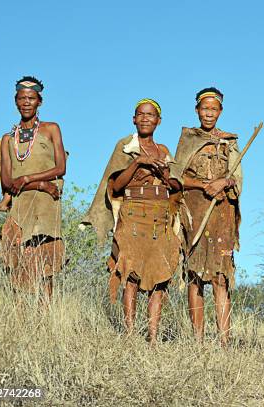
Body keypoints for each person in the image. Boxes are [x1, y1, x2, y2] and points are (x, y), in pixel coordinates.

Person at [82, 98, 183, 344]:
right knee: (130, 274)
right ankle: (129, 335)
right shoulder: (125, 146)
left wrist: (165, 175)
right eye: (141, 114)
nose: (146, 118)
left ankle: (153, 338)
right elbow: (115, 185)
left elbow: (174, 187)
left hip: (160, 216)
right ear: (134, 119)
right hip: (133, 214)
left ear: (159, 121)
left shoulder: (164, 151)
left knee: (160, 275)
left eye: (151, 115)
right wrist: (138, 162)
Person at [172, 87, 242, 346]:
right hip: (194, 211)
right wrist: (203, 185)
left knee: (221, 276)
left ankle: (224, 342)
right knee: (194, 274)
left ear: (220, 111)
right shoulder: (187, 139)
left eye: (213, 109)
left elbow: (238, 178)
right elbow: (176, 177)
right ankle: (198, 341)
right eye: (204, 108)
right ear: (197, 110)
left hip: (222, 213)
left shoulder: (229, 141)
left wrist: (224, 182)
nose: (209, 113)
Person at [0, 76, 66, 300]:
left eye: (31, 98)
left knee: (47, 263)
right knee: (17, 259)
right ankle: (21, 324)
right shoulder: (8, 139)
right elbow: (8, 181)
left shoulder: (51, 129)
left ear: (40, 102)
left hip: (46, 206)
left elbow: (60, 167)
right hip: (21, 205)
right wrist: (39, 184)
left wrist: (28, 178)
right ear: (15, 101)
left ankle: (47, 319)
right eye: (22, 98)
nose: (26, 102)